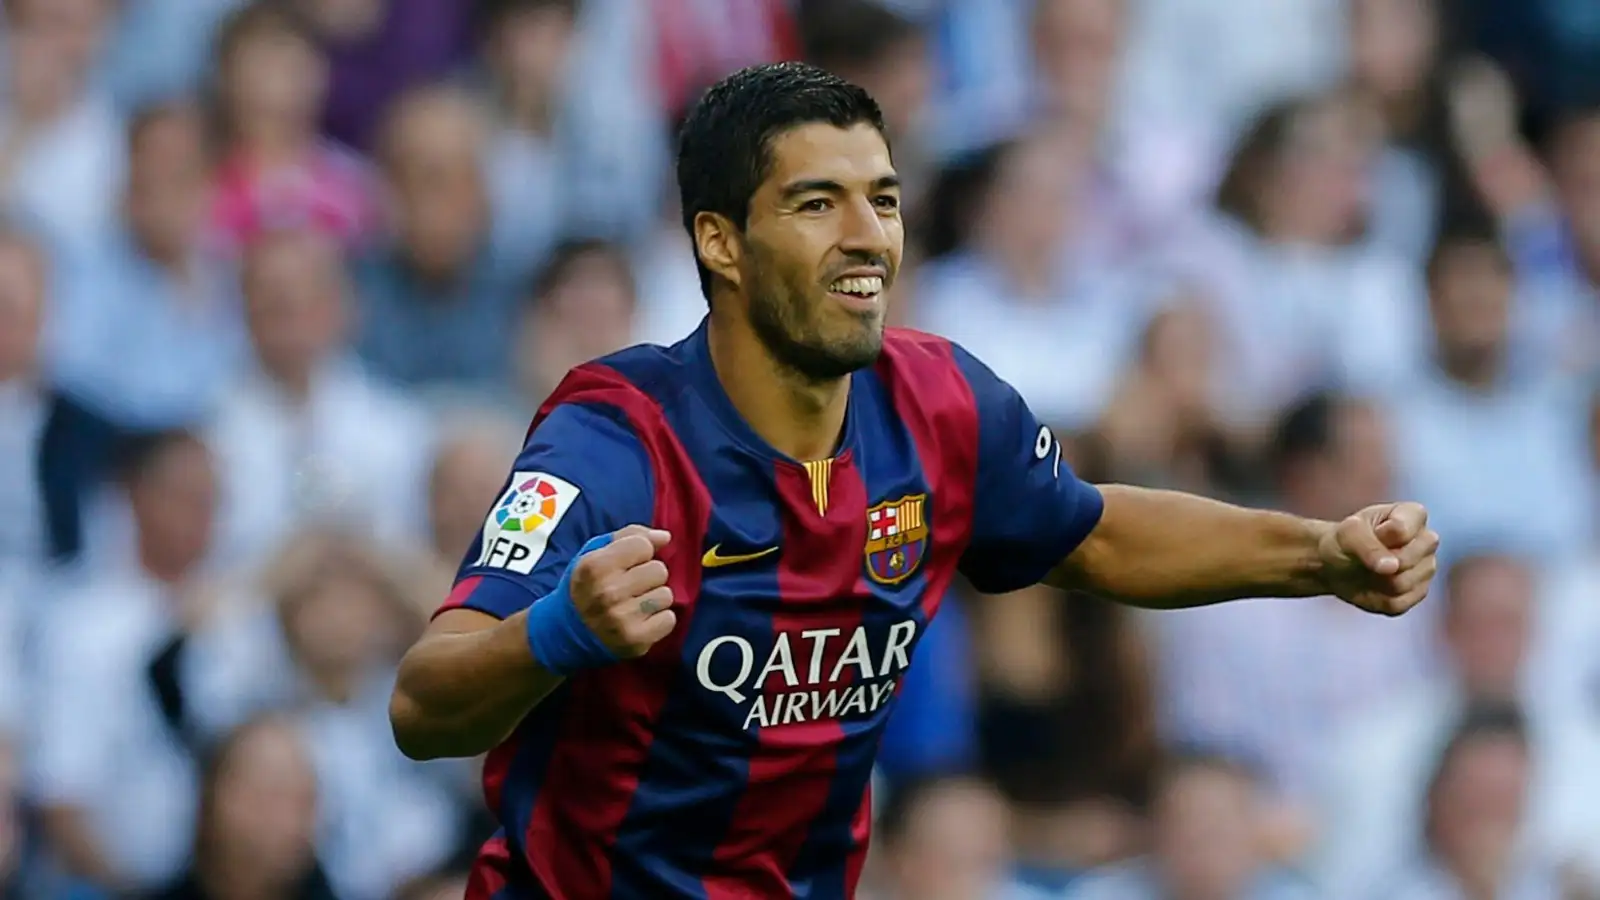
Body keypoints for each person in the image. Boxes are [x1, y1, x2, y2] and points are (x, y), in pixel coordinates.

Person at [388, 62, 1441, 900]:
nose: (867, 237)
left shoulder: (940, 405)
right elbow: (422, 705)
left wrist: (1318, 554)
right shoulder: (615, 439)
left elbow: (1096, 535)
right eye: (817, 203)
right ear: (721, 242)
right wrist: (558, 632)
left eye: (883, 199)